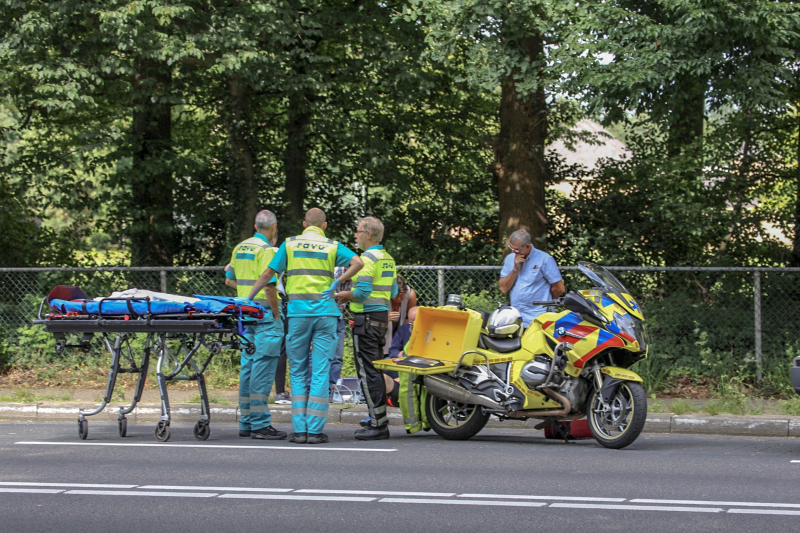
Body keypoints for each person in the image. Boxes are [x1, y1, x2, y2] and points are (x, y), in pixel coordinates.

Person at [247, 208, 363, 444]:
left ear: (303, 224)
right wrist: (337, 282)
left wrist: (247, 299)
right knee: (320, 371)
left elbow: (268, 274)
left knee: (298, 371)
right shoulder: (331, 245)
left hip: (298, 316)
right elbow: (358, 262)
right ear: (324, 225)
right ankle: (316, 431)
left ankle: (300, 431)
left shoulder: (290, 244)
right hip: (325, 315)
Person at [224, 210, 287, 440]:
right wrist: (276, 312)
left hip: (245, 312)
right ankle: (260, 424)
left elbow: (229, 279)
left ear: (255, 226)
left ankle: (247, 421)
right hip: (265, 315)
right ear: (274, 228)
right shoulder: (267, 250)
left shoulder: (240, 248)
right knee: (264, 367)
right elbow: (269, 286)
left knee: (248, 366)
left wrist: (246, 293)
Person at [335, 216, 398, 440]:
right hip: (380, 319)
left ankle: (378, 424)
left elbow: (362, 292)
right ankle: (377, 420)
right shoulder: (388, 258)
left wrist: (345, 295)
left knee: (367, 372)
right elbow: (393, 292)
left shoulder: (367, 258)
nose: (355, 235)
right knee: (375, 370)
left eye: (358, 231)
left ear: (368, 235)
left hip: (366, 320)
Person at [498, 229, 566, 328]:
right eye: (511, 248)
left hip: (539, 317)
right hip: (516, 317)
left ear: (527, 246)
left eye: (517, 249)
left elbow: (559, 288)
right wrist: (515, 269)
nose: (513, 251)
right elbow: (503, 288)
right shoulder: (510, 258)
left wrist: (545, 300)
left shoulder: (545, 259)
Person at [385, 274, 416, 354]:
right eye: (396, 296)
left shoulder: (410, 294)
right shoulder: (383, 296)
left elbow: (411, 316)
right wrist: (385, 318)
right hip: (385, 329)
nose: (399, 299)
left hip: (401, 329)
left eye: (402, 296)